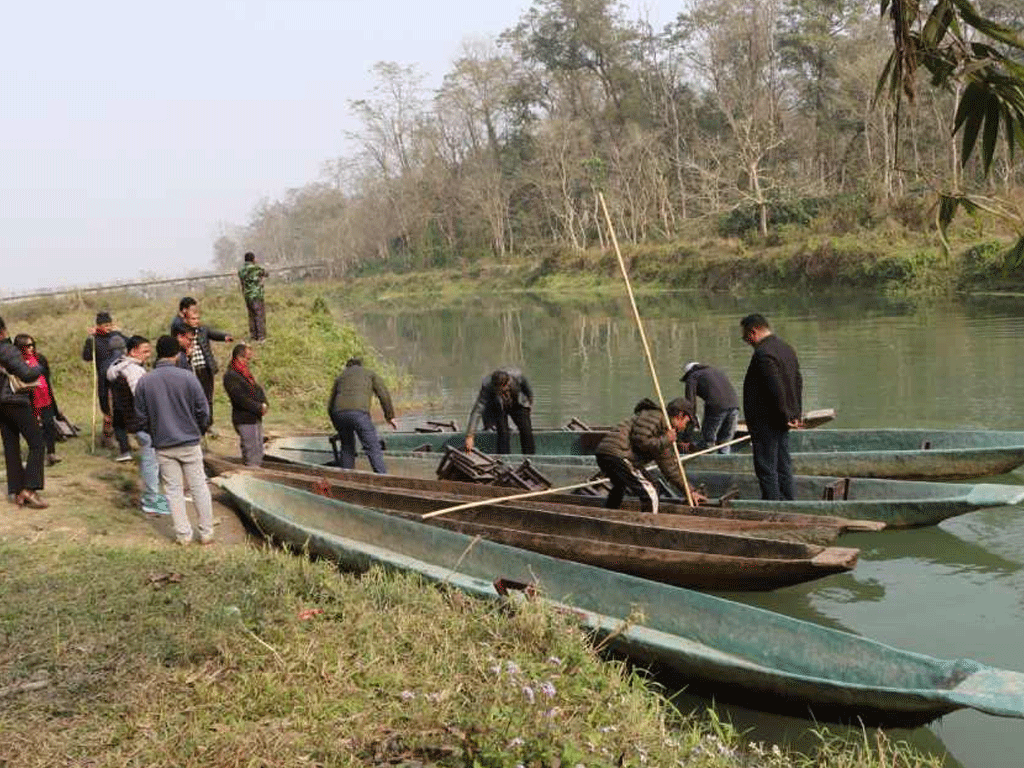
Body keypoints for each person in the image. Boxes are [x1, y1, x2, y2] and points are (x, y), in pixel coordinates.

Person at [134, 335, 214, 545]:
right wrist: (199, 429)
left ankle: (183, 535)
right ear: (177, 354)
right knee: (199, 487)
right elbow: (203, 410)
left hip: (163, 444)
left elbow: (140, 418)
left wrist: (155, 432)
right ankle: (206, 532)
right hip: (189, 441)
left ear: (158, 354)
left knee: (173, 490)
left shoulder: (145, 381)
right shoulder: (188, 377)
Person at [594, 398, 703, 513]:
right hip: (617, 453)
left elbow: (670, 468)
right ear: (680, 415)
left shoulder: (665, 433)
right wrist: (666, 439)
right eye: (687, 422)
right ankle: (649, 527)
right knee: (650, 493)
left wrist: (689, 491)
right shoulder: (655, 416)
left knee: (620, 487)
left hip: (615, 454)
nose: (685, 427)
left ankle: (608, 516)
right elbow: (640, 441)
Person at [740, 313, 803, 501]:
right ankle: (789, 501)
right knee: (783, 465)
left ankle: (774, 504)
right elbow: (797, 382)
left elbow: (774, 387)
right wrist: (794, 414)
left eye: (745, 336)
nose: (746, 341)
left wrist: (784, 415)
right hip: (784, 418)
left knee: (766, 467)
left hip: (767, 420)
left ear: (754, 331)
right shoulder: (787, 349)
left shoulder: (763, 353)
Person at [107, 335, 170, 516]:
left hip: (133, 421)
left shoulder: (120, 367)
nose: (148, 355)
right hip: (141, 421)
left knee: (150, 459)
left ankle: (152, 497)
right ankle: (152, 501)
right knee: (151, 461)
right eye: (145, 351)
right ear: (133, 351)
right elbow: (142, 396)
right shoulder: (134, 371)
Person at [0, 317, 46, 508]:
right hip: (15, 401)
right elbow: (27, 374)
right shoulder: (7, 349)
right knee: (37, 443)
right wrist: (39, 366)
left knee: (11, 446)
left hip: (0, 405)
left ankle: (16, 490)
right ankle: (30, 488)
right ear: (3, 329)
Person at [170, 298, 233, 428]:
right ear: (185, 318)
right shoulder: (181, 333)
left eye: (197, 319)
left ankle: (208, 424)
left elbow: (213, 333)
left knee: (208, 397)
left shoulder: (202, 330)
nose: (196, 321)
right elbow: (175, 326)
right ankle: (195, 423)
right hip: (191, 369)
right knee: (194, 398)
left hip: (205, 367)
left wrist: (224, 337)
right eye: (193, 319)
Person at [327, 358, 396, 473]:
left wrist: (337, 426)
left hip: (338, 413)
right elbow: (383, 394)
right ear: (361, 365)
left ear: (347, 367)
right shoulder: (370, 373)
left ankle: (346, 479)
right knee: (372, 446)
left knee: (347, 447)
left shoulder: (340, 377)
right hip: (359, 413)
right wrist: (390, 416)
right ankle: (382, 476)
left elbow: (330, 406)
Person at [81, 311, 129, 451]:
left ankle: (124, 436)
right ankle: (107, 436)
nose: (108, 327)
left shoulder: (117, 336)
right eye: (105, 325)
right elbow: (87, 357)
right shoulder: (94, 340)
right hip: (104, 380)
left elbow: (130, 344)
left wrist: (119, 332)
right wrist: (89, 341)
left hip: (119, 377)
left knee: (121, 407)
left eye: (110, 324)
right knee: (108, 409)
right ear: (98, 326)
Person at [14, 334, 62, 466]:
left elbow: (47, 379)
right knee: (35, 428)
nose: (31, 348)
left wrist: (54, 404)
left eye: (32, 345)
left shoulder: (40, 359)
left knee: (49, 424)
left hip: (44, 396)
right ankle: (37, 454)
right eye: (27, 346)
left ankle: (51, 453)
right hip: (29, 398)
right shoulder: (17, 362)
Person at [464, 368, 535, 455]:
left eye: (503, 388)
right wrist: (470, 436)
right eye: (498, 389)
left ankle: (529, 457)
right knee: (503, 433)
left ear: (508, 382)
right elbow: (477, 410)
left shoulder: (518, 376)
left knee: (526, 430)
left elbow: (528, 390)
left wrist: (529, 405)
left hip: (517, 403)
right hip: (498, 405)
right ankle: (503, 459)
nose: (501, 391)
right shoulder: (487, 385)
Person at [223, 343, 268, 467]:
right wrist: (258, 407)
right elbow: (240, 399)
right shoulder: (231, 376)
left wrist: (264, 404)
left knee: (258, 450)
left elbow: (257, 390)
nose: (248, 362)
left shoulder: (245, 374)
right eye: (247, 358)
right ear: (239, 358)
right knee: (251, 453)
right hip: (244, 419)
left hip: (254, 417)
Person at [680, 361, 740, 454]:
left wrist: (686, 436)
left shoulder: (692, 376)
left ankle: (709, 459)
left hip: (716, 406)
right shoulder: (716, 371)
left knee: (708, 440)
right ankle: (725, 460)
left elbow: (690, 405)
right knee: (725, 441)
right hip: (735, 405)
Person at [238, 252, 268, 341]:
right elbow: (266, 273)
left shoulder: (241, 270)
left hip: (247, 295)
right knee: (259, 315)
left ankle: (253, 336)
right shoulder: (256, 268)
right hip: (256, 295)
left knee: (251, 316)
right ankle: (261, 337)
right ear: (253, 259)